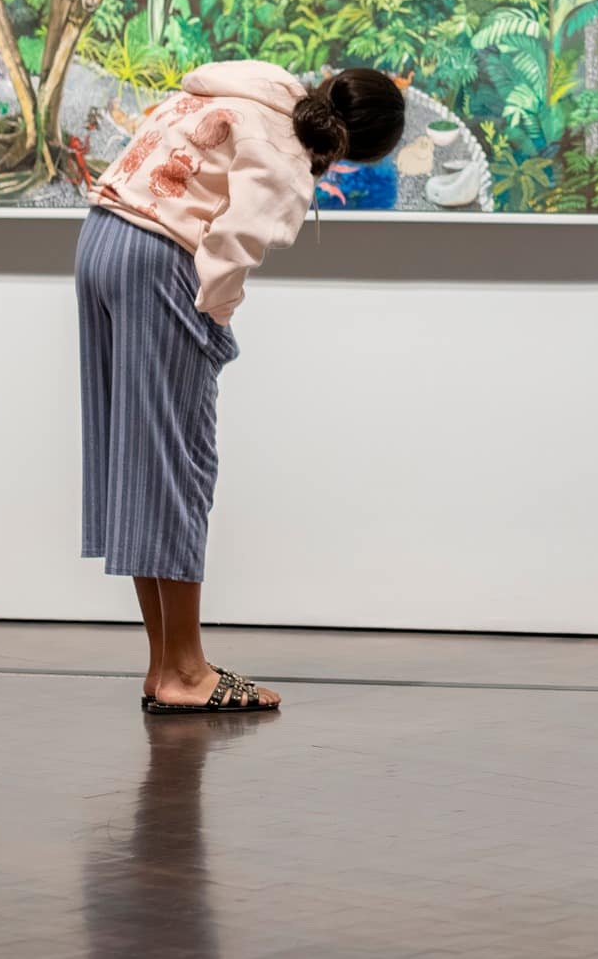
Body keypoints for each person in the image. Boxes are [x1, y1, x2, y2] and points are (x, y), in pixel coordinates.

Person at [78, 62, 405, 715]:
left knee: (144, 461)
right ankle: (188, 672)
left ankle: (165, 666)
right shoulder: (285, 155)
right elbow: (228, 249)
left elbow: (193, 83)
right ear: (356, 153)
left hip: (101, 238)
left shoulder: (258, 88)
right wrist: (214, 321)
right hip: (156, 256)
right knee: (180, 465)